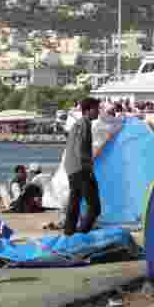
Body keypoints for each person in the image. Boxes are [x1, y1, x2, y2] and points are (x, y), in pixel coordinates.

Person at [62, 97, 102, 236]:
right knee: (95, 207)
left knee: (74, 202)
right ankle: (81, 233)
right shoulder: (83, 124)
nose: (98, 112)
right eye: (96, 109)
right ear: (87, 110)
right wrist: (88, 168)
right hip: (80, 169)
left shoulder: (80, 124)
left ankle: (69, 233)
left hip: (72, 168)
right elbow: (80, 149)